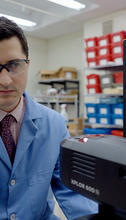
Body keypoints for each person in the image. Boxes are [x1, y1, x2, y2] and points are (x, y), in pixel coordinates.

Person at [0, 16, 98, 220]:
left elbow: (71, 190)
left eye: (14, 64)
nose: (5, 80)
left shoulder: (54, 125)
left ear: (28, 64)